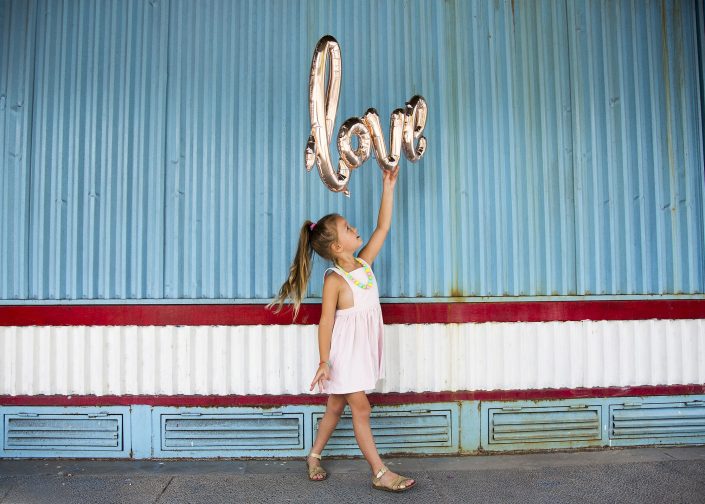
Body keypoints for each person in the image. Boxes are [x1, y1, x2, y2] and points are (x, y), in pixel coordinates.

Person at [268, 166, 415, 492]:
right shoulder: (334, 279)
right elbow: (326, 322)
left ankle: (314, 455)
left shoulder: (362, 264)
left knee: (336, 405)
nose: (355, 229)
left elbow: (382, 227)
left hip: (361, 350)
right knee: (360, 407)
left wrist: (388, 186)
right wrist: (324, 360)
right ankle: (380, 473)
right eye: (347, 228)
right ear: (336, 247)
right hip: (343, 355)